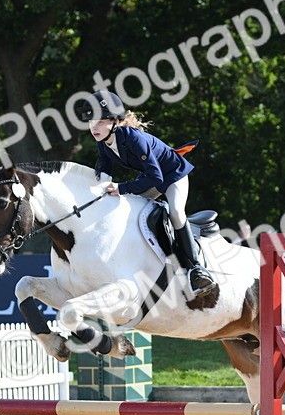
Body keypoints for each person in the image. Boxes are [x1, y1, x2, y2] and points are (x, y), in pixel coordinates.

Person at [79, 90, 216, 297]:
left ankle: (197, 269)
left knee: (176, 212)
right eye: (91, 122)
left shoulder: (133, 138)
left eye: (100, 122)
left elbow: (156, 177)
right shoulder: (103, 142)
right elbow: (104, 171)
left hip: (173, 175)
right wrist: (99, 192)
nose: (94, 127)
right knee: (129, 212)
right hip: (153, 177)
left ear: (115, 121)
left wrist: (122, 188)